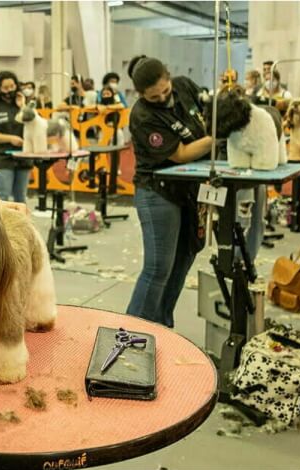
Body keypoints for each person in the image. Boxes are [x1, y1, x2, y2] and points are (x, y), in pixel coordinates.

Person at [125, 55, 213, 328]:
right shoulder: (142, 116)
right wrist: (217, 137)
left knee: (186, 256)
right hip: (158, 192)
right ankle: (129, 334)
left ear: (169, 77)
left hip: (190, 190)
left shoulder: (185, 86)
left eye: (165, 91)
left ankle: (160, 326)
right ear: (141, 95)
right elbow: (181, 153)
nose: (162, 98)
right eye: (154, 97)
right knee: (158, 267)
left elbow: (208, 113)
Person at [0, 70, 31, 203]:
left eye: (12, 86)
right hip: (2, 157)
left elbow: (32, 123)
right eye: (6, 87)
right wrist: (10, 138)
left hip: (24, 157)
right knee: (2, 197)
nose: (10, 90)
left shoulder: (23, 104)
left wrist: (23, 106)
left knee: (21, 197)